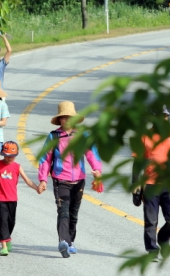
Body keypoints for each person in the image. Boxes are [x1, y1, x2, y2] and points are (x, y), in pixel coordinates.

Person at [37, 101, 103, 258]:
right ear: (59, 120)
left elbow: (91, 153)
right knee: (63, 211)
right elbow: (45, 159)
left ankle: (71, 241)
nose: (66, 120)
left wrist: (97, 170)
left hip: (79, 180)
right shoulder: (54, 136)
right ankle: (63, 242)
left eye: (69, 117)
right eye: (63, 118)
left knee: (74, 213)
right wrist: (43, 179)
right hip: (61, 180)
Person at [131, 106, 170, 262]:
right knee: (151, 221)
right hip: (150, 185)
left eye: (165, 116)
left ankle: (163, 238)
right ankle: (152, 251)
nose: (163, 119)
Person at [0, 141, 40, 256]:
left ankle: (8, 238)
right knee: (3, 221)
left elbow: (27, 180)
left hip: (12, 199)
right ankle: (4, 246)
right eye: (7, 156)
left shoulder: (17, 167)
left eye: (12, 156)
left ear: (16, 155)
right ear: (3, 154)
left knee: (11, 222)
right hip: (0, 199)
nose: (9, 158)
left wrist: (37, 188)